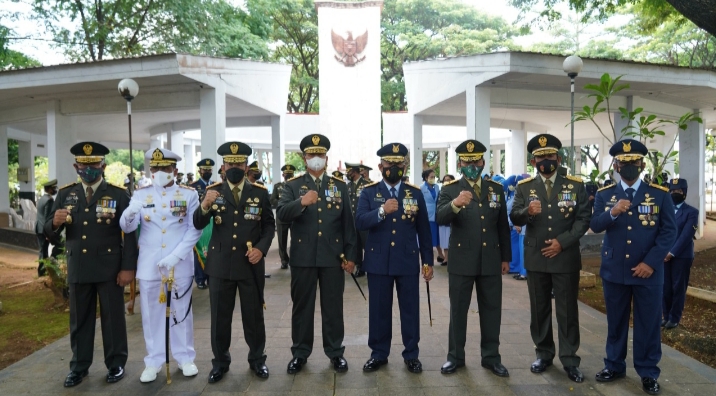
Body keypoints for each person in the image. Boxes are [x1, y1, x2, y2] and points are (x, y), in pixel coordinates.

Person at [44, 142, 137, 387]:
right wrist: (54, 223)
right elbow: (49, 232)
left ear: (103, 165)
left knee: (113, 319)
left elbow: (130, 234)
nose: (89, 169)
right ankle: (79, 367)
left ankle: (116, 363)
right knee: (80, 320)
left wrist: (128, 268)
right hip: (79, 267)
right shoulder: (65, 194)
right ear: (76, 166)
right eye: (84, 165)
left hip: (110, 269)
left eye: (94, 164)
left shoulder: (118, 194)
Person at [590, 139, 676, 395]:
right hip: (615, 269)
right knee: (615, 322)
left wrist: (651, 263)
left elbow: (669, 231)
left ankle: (648, 372)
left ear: (642, 164)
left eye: (633, 162)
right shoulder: (605, 194)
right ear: (615, 165)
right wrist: (613, 212)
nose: (628, 166)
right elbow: (595, 225)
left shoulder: (659, 194)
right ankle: (614, 365)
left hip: (648, 272)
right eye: (623, 163)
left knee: (648, 324)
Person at [509, 134, 591, 383]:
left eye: (550, 156)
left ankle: (569, 359)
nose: (546, 160)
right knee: (539, 308)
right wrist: (527, 212)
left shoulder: (575, 185)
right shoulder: (524, 188)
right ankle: (543, 353)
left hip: (564, 257)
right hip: (536, 258)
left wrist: (562, 242)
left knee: (567, 311)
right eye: (541, 157)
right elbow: (514, 216)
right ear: (533, 161)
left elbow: (583, 219)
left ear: (558, 157)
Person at [193, 141, 275, 382]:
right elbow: (197, 223)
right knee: (220, 318)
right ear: (223, 166)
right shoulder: (213, 191)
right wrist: (205, 205)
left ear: (246, 165)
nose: (235, 167)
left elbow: (269, 225)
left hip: (250, 264)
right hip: (220, 265)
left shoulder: (259, 192)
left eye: (239, 163)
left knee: (254, 317)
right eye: (230, 163)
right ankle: (220, 362)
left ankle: (257, 360)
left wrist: (261, 249)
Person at [120, 148, 203, 383]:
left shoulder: (189, 195)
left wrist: (176, 256)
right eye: (154, 169)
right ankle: (153, 360)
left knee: (181, 312)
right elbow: (127, 228)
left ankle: (185, 357)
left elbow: (194, 229)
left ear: (174, 170)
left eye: (164, 169)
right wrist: (128, 214)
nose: (159, 172)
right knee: (151, 315)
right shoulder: (139, 194)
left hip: (179, 264)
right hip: (150, 265)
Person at [277, 134, 357, 374]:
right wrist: (301, 202)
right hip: (303, 257)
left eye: (320, 154)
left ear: (326, 158)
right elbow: (281, 214)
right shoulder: (291, 186)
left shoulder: (339, 186)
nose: (316, 159)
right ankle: (300, 353)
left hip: (333, 258)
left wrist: (351, 256)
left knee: (333, 307)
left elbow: (348, 226)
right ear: (304, 158)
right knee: (302, 307)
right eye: (311, 155)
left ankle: (335, 352)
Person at [355, 143, 434, 374]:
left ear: (405, 165)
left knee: (409, 309)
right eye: (390, 164)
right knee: (379, 310)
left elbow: (424, 232)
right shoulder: (369, 192)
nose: (395, 168)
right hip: (378, 262)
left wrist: (427, 262)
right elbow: (359, 221)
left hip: (407, 260)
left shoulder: (415, 193)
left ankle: (411, 354)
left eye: (399, 163)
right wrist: (381, 211)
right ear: (381, 166)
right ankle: (379, 353)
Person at [436, 139, 511, 377]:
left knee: (491, 310)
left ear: (483, 161)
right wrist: (456, 204)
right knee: (458, 310)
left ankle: (491, 357)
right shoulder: (449, 190)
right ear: (459, 163)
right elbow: (439, 217)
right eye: (467, 161)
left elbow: (502, 228)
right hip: (461, 260)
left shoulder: (495, 189)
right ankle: (455, 357)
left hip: (490, 259)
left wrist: (506, 258)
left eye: (476, 160)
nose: (472, 165)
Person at [662, 178, 698, 329]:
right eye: (672, 191)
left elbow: (686, 236)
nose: (674, 193)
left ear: (684, 193)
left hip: (681, 256)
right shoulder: (665, 210)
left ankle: (675, 318)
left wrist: (671, 252)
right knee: (665, 287)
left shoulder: (692, 212)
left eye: (677, 191)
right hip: (664, 256)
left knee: (678, 287)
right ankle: (666, 315)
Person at [190, 158, 216, 289]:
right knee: (199, 250)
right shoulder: (193, 187)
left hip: (213, 223)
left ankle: (211, 275)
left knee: (212, 248)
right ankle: (200, 278)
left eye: (209, 170)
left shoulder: (216, 186)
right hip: (199, 221)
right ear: (199, 171)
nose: (207, 172)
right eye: (205, 170)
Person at [346, 162, 370, 277]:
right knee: (356, 245)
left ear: (355, 172)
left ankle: (370, 266)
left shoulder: (367, 185)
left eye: (349, 172)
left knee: (367, 244)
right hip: (352, 221)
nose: (348, 174)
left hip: (364, 221)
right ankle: (360, 267)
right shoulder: (348, 186)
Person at [270, 164, 297, 269]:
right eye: (287, 174)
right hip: (282, 217)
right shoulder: (278, 186)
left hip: (294, 218)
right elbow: (272, 199)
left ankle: (294, 259)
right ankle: (284, 260)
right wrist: (283, 204)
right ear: (283, 175)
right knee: (282, 241)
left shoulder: (296, 185)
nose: (289, 176)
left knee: (295, 240)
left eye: (290, 174)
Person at [420, 169, 444, 264]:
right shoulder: (421, 188)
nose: (433, 179)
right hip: (427, 214)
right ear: (426, 178)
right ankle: (429, 258)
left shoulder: (437, 187)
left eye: (434, 177)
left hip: (436, 214)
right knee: (428, 237)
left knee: (437, 236)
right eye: (431, 177)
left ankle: (440, 255)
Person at [35, 179, 58, 276]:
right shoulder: (49, 200)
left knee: (42, 249)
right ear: (49, 189)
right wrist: (47, 233)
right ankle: (42, 271)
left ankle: (42, 271)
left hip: (38, 227)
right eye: (53, 188)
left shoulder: (41, 199)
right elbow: (47, 218)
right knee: (44, 251)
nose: (55, 190)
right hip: (43, 229)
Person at [438, 174, 455, 266]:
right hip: (442, 220)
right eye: (445, 180)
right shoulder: (441, 191)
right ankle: (446, 257)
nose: (446, 181)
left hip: (451, 220)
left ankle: (450, 258)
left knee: (450, 239)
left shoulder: (455, 191)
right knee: (444, 240)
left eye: (448, 180)